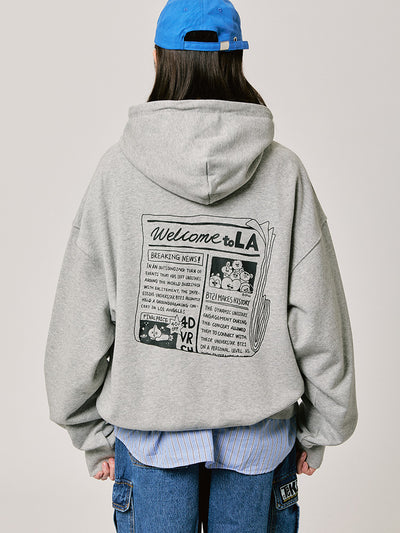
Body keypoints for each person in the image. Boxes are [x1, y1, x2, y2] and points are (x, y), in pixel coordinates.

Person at [44, 1, 358, 531]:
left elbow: (79, 323)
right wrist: (323, 425)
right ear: (236, 60)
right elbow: (319, 318)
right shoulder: (284, 174)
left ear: (157, 58)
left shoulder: (116, 175)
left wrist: (88, 432)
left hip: (150, 443)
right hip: (259, 445)